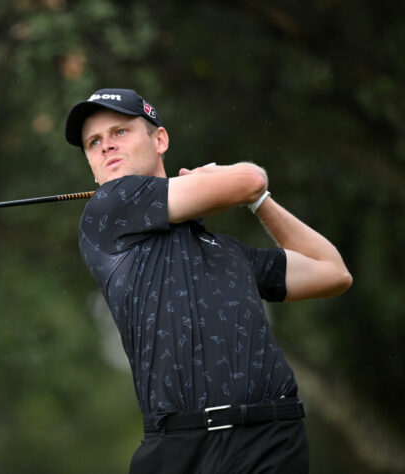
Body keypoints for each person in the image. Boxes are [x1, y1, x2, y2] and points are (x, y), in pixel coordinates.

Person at [65, 88, 352, 473]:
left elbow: (332, 272)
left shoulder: (226, 250)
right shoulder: (107, 208)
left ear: (160, 139)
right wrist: (239, 184)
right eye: (93, 142)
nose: (105, 147)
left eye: (120, 132)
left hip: (271, 438)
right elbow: (249, 177)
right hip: (181, 448)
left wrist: (260, 202)